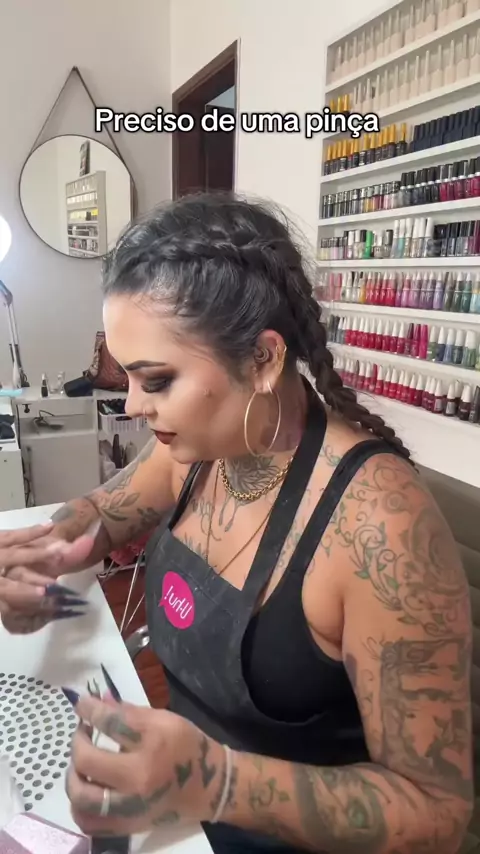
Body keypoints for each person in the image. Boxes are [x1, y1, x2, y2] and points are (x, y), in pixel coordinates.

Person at [0, 193, 473, 854]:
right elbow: (105, 511)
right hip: (181, 817)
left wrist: (218, 783)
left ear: (263, 359)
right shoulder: (200, 447)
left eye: (156, 381)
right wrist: (46, 552)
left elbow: (438, 813)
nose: (132, 405)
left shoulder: (379, 526)